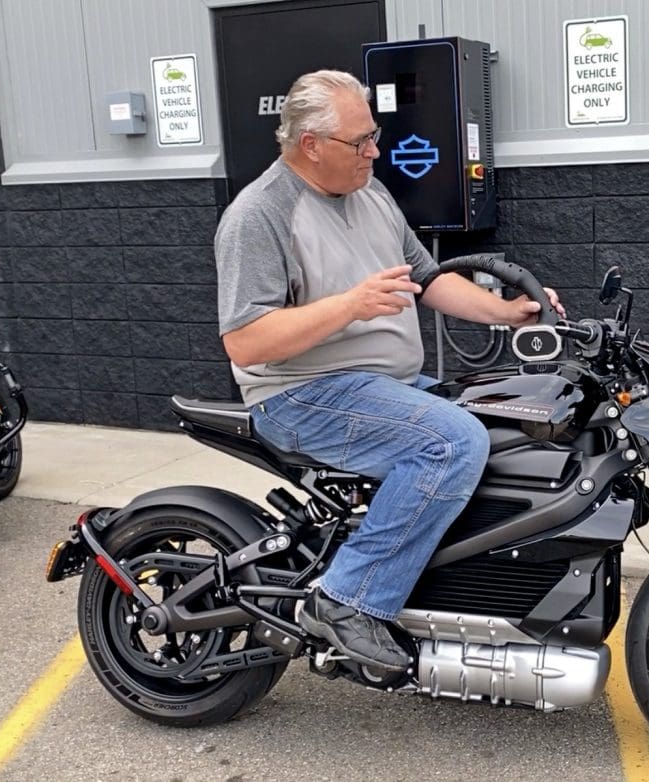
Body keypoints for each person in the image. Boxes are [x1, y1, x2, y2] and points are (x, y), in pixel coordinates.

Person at [215, 69, 564, 671]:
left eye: (374, 135)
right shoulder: (260, 215)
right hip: (301, 393)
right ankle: (346, 600)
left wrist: (509, 314)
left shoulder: (371, 193)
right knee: (452, 443)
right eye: (361, 142)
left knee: (509, 423)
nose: (375, 151)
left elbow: (426, 281)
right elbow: (244, 342)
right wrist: (349, 304)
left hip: (387, 385)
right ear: (310, 145)